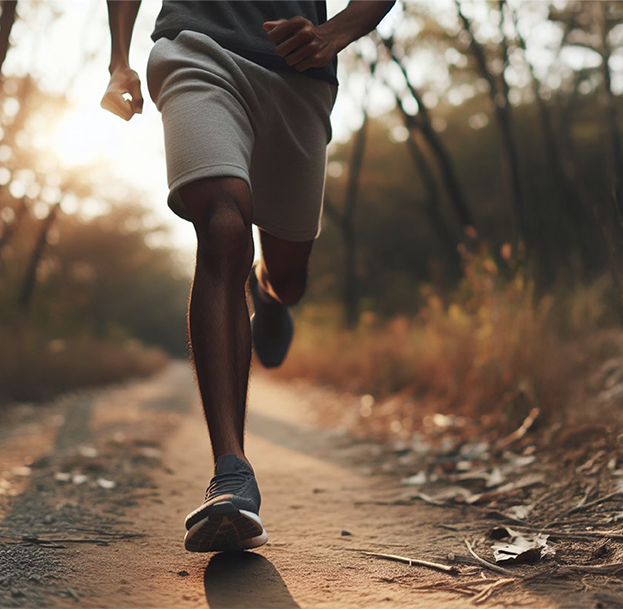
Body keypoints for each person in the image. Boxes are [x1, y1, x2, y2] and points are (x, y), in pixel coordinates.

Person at [101, 0, 396, 553]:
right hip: (196, 48)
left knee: (290, 275)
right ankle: (231, 474)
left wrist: (334, 34)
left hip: (297, 74)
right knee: (223, 229)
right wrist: (120, 57)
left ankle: (268, 291)